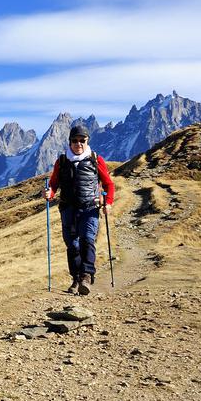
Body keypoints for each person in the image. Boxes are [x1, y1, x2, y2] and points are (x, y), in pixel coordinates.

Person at [44, 125, 115, 295]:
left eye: (82, 140)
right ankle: (76, 279)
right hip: (68, 209)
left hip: (90, 208)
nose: (78, 144)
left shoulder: (96, 159)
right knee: (72, 245)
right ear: (69, 142)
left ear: (87, 141)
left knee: (87, 240)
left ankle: (86, 276)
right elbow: (54, 183)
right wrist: (50, 192)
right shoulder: (61, 161)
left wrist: (109, 203)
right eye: (75, 141)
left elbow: (108, 184)